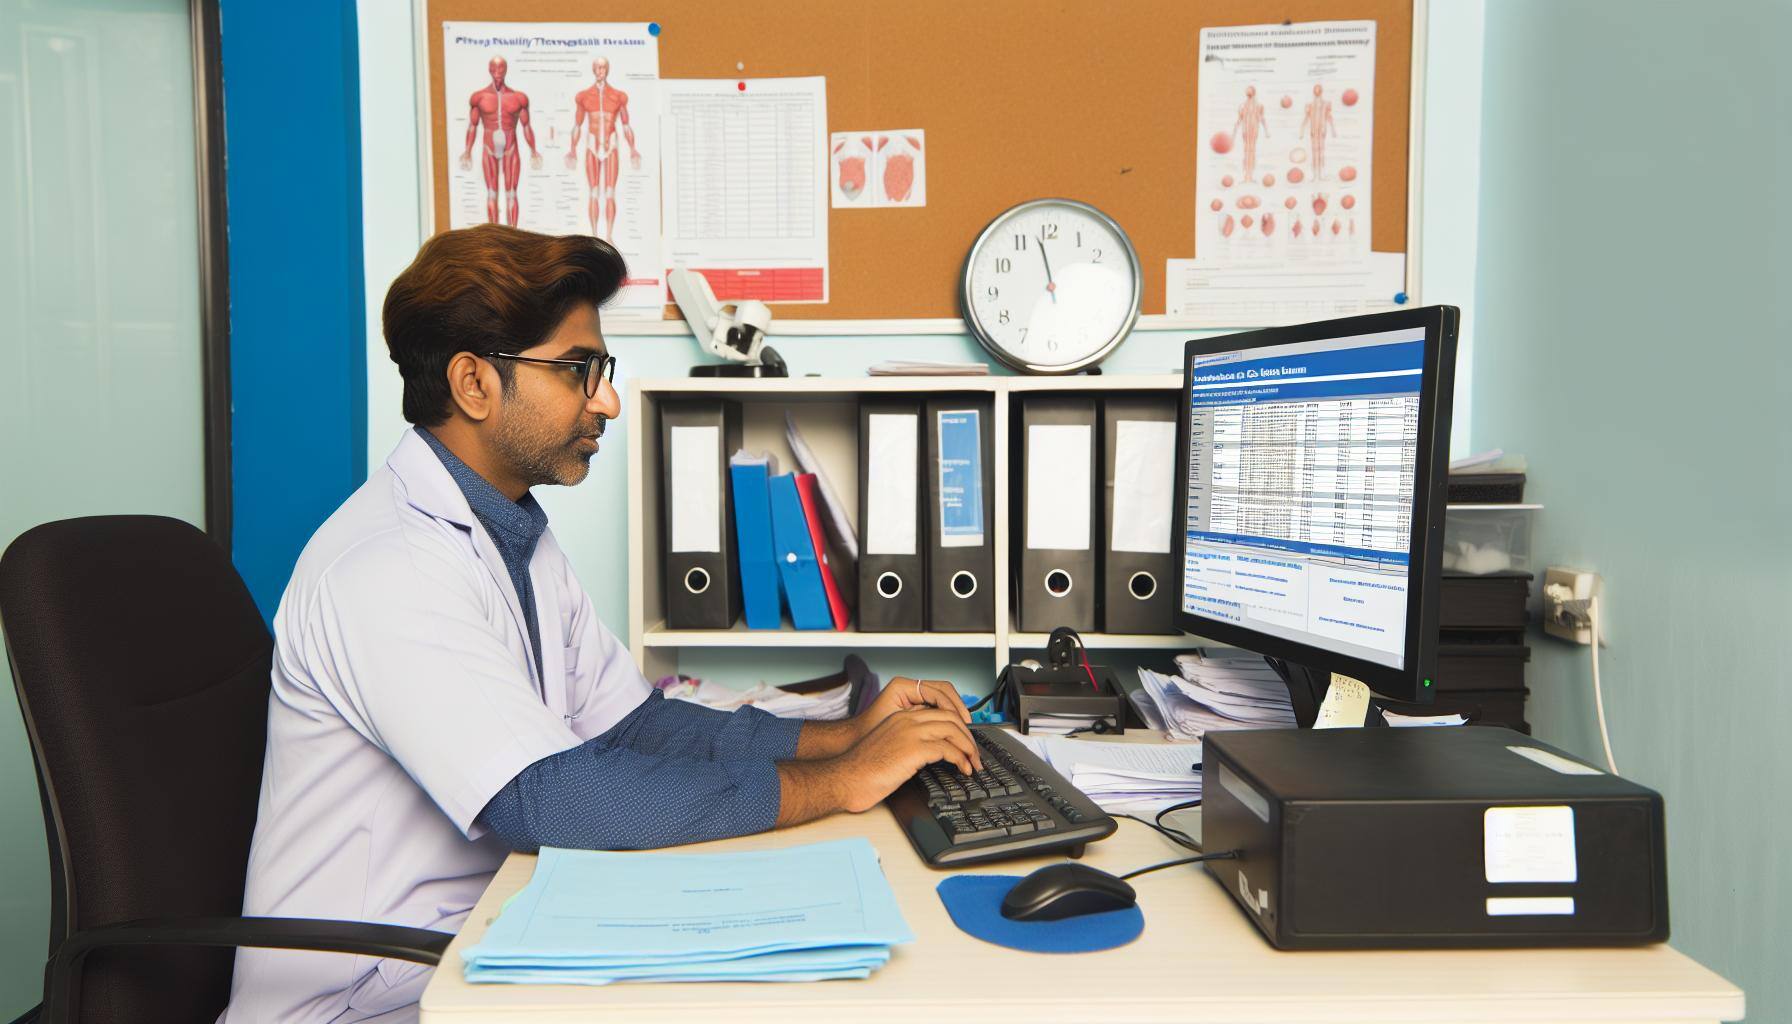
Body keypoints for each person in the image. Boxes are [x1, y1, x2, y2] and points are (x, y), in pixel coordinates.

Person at [221, 225, 981, 1022]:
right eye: (579, 370)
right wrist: (842, 784)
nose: (607, 399)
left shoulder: (513, 531)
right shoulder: (386, 567)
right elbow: (545, 800)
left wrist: (852, 734)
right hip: (375, 995)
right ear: (475, 383)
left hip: (490, 940)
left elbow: (632, 727)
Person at [459, 56, 541, 226]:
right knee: (491, 193)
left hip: (511, 144)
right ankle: (495, 238)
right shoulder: (479, 97)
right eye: (494, 69)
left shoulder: (518, 98)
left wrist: (533, 150)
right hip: (489, 145)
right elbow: (472, 126)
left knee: (511, 193)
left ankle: (513, 236)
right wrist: (467, 151)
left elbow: (526, 126)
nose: (498, 72)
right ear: (489, 70)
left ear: (506, 70)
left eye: (501, 68)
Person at [566, 57, 641, 239]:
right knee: (593, 192)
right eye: (598, 68)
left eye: (604, 68)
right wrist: (573, 149)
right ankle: (594, 235)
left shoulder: (618, 96)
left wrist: (632, 149)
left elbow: (625, 125)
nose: (601, 71)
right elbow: (577, 124)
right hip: (592, 144)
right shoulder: (583, 96)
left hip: (611, 144)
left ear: (608, 70)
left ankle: (608, 236)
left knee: (609, 192)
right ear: (593, 69)